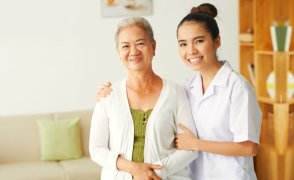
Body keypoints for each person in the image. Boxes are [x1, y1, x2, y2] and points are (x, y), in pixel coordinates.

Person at [96, 3, 262, 180]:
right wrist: (104, 95)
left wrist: (197, 144)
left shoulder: (237, 87)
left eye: (199, 41)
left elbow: (249, 147)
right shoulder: (187, 87)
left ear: (217, 41)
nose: (191, 50)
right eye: (183, 44)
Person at [89, 17, 198, 180]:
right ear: (119, 52)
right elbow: (97, 150)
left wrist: (154, 173)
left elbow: (190, 148)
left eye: (140, 43)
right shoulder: (108, 95)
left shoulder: (176, 92)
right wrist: (134, 169)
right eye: (125, 46)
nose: (133, 51)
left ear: (153, 47)